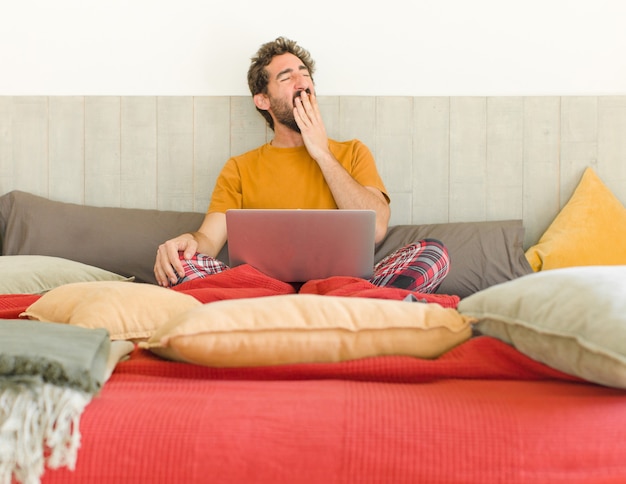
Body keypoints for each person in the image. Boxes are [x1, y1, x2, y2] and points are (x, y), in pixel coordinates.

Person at [154, 36, 450, 292]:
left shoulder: (353, 152)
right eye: (286, 77)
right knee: (179, 264)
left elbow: (375, 229)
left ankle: (318, 299)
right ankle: (302, 301)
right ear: (263, 101)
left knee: (433, 255)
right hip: (261, 287)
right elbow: (208, 239)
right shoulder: (239, 168)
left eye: (305, 73)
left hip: (343, 283)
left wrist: (321, 152)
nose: (302, 82)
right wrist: (185, 243)